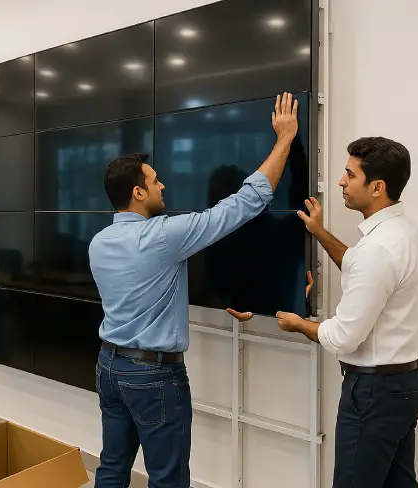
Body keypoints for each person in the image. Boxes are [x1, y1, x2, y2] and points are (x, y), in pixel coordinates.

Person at [89, 93, 299, 487]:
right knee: (168, 479)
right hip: (152, 376)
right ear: (138, 192)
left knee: (112, 468)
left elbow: (154, 284)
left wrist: (231, 294)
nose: (162, 185)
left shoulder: (99, 243)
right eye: (154, 181)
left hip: (109, 366)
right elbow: (244, 203)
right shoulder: (164, 237)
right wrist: (284, 140)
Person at [230, 137, 418, 488]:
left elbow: (343, 336)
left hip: (374, 393)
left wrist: (298, 323)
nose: (341, 181)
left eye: (350, 175)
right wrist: (319, 232)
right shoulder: (404, 231)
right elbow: (357, 264)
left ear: (378, 187)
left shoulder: (377, 249)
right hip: (407, 384)